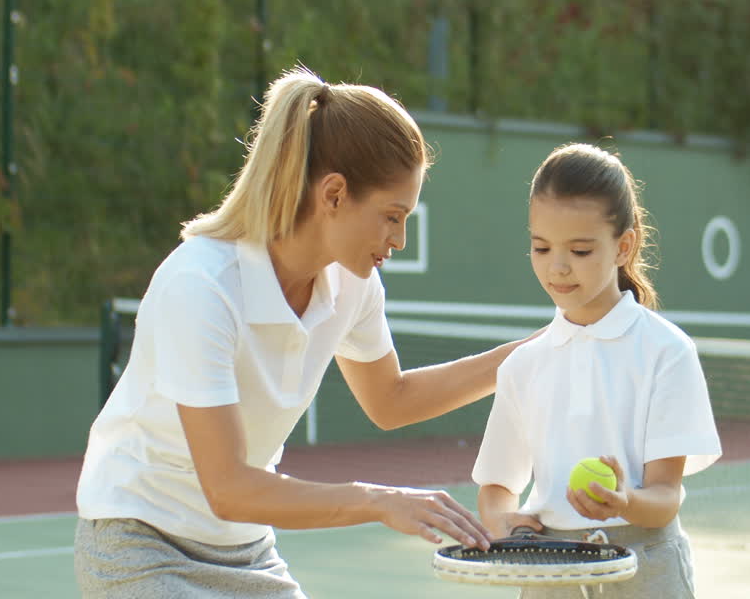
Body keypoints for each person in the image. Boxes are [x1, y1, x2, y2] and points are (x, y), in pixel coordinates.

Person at [74, 67, 534, 598]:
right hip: (140, 547)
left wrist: (530, 356)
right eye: (391, 216)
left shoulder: (354, 285)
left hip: (246, 550)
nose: (400, 239)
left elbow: (391, 399)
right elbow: (227, 488)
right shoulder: (200, 286)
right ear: (334, 194)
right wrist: (377, 500)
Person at [472, 143, 721, 598]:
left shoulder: (667, 352)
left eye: (581, 250)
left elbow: (666, 497)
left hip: (646, 573)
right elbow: (496, 488)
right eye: (541, 247)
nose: (558, 266)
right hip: (549, 576)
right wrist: (506, 523)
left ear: (623, 246)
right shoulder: (523, 366)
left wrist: (624, 503)